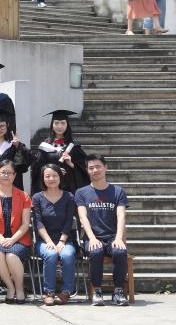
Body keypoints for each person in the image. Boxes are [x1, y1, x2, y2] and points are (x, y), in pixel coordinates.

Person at [75, 154, 130, 306]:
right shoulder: (81, 192)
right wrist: (92, 238)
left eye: (98, 166)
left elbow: (121, 216)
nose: (95, 170)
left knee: (120, 251)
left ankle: (118, 292)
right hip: (92, 237)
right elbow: (83, 217)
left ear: (105, 167)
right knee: (96, 252)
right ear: (87, 170)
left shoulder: (118, 191)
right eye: (91, 168)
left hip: (112, 237)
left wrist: (119, 238)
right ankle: (97, 291)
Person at [0, 160, 32, 303]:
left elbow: (26, 223)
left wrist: (13, 239)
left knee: (11, 256)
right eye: (3, 172)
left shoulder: (23, 196)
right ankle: (10, 288)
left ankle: (20, 289)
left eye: (9, 173)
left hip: (19, 238)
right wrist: (1, 238)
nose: (6, 175)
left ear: (15, 175)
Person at [32, 164, 77, 305]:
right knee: (51, 254)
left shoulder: (69, 196)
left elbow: (69, 221)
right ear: (43, 178)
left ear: (60, 177)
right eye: (47, 176)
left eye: (54, 175)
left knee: (67, 255)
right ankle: (49, 292)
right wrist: (49, 241)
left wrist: (62, 241)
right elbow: (38, 222)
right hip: (44, 240)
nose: (51, 179)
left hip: (65, 240)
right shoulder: (37, 197)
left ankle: (66, 291)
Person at [30, 109, 89, 193]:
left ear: (67, 125)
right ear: (52, 125)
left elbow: (84, 167)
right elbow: (37, 167)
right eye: (56, 123)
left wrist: (71, 164)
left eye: (63, 123)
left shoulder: (73, 146)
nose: (60, 126)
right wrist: (53, 171)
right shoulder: (45, 145)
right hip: (50, 187)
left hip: (68, 188)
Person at [0, 109, 31, 193]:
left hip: (13, 187)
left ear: (7, 125)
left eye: (2, 126)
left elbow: (29, 159)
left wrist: (19, 146)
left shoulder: (13, 145)